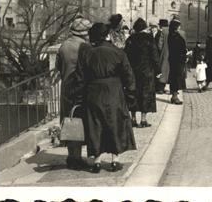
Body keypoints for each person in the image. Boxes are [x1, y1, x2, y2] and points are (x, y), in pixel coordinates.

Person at [72, 22, 136, 173]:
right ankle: (115, 160)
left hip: (93, 91)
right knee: (115, 123)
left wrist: (77, 96)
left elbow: (80, 77)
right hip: (114, 91)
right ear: (107, 35)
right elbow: (129, 76)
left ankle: (97, 161)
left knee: (95, 125)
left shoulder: (86, 52)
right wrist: (130, 95)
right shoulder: (118, 52)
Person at [56, 15, 92, 170]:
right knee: (80, 120)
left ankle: (72, 156)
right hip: (81, 87)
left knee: (69, 119)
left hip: (66, 87)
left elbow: (58, 67)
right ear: (84, 33)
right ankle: (77, 158)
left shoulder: (63, 45)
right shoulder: (85, 47)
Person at [124, 18, 158, 128]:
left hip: (133, 70)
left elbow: (126, 55)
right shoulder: (149, 38)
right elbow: (154, 55)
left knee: (134, 93)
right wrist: (158, 70)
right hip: (147, 70)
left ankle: (133, 118)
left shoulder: (130, 39)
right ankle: (143, 120)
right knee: (146, 93)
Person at [167, 17, 187, 104]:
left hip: (174, 60)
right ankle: (175, 97)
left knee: (174, 78)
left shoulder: (171, 35)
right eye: (178, 26)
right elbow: (179, 49)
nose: (180, 27)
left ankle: (174, 96)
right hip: (177, 60)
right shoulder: (175, 36)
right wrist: (185, 54)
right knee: (176, 78)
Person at [154, 19, 169, 94]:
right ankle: (162, 88)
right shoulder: (170, 31)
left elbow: (159, 45)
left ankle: (159, 88)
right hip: (168, 54)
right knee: (166, 71)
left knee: (160, 71)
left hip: (161, 54)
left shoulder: (161, 32)